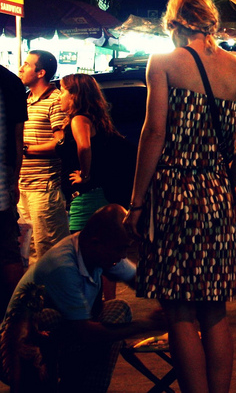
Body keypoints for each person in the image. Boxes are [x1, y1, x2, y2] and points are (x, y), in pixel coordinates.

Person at [124, 0, 236, 393]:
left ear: (176, 25)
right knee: (214, 308)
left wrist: (136, 201)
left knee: (180, 310)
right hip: (216, 194)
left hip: (171, 192)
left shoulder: (164, 63)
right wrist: (222, 183)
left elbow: (155, 132)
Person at [0, 205, 165, 392]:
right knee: (49, 317)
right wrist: (146, 324)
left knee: (118, 309)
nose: (123, 256)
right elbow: (85, 332)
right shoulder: (62, 266)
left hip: (67, 341)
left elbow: (138, 281)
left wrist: (173, 309)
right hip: (17, 353)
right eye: (120, 249)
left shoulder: (97, 250)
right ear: (96, 243)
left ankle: (89, 388)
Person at [18, 49, 69, 264]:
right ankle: (33, 297)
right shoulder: (26, 100)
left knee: (49, 252)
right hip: (23, 187)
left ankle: (53, 297)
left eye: (27, 65)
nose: (21, 68)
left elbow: (62, 142)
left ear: (41, 73)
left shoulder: (55, 100)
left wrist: (28, 149)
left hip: (44, 188)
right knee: (27, 251)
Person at [58, 74, 123, 232]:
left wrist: (84, 176)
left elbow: (84, 147)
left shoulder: (79, 119)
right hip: (97, 193)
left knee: (81, 243)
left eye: (62, 91)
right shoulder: (94, 119)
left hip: (86, 196)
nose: (59, 97)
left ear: (74, 95)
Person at [0, 62, 26, 312]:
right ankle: (15, 318)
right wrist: (14, 180)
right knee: (9, 252)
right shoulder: (11, 82)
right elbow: (18, 141)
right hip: (3, 186)